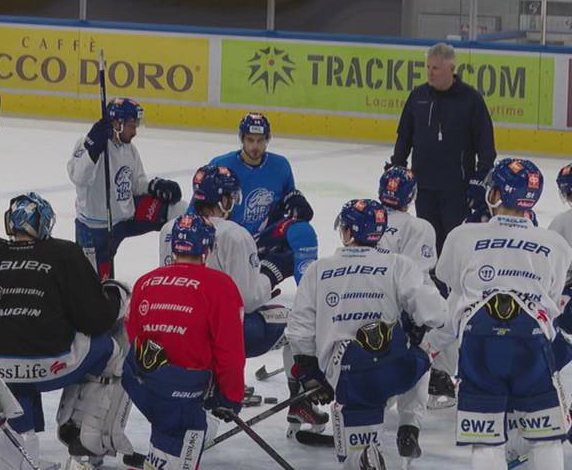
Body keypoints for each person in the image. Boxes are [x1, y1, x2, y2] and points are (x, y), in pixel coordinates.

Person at [0, 193, 133, 469]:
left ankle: (0, 434)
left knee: (9, 353)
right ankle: (87, 439)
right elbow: (95, 319)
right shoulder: (64, 252)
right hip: (52, 365)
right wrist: (117, 297)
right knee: (115, 350)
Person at [158, 165, 328, 436]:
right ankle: (300, 402)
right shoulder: (235, 234)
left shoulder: (170, 229)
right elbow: (247, 301)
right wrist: (271, 272)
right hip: (227, 336)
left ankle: (202, 387)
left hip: (177, 334)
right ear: (224, 199)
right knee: (299, 325)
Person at [286, 199, 446, 469]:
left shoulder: (318, 269)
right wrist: (415, 326)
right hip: (393, 371)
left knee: (356, 451)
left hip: (345, 378)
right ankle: (409, 425)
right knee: (422, 351)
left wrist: (310, 372)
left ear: (347, 232)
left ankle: (363, 451)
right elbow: (437, 314)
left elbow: (299, 328)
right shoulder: (400, 265)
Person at [436, 158, 572, 470]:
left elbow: (449, 280)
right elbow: (552, 299)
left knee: (487, 440)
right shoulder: (556, 244)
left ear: (496, 193)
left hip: (478, 344)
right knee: (546, 437)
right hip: (533, 343)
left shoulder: (462, 235)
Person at [124, 213, 245, 470]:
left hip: (145, 387)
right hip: (185, 393)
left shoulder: (146, 281)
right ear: (207, 247)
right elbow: (230, 351)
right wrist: (230, 396)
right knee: (183, 436)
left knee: (166, 435)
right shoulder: (219, 285)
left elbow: (133, 336)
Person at [388, 42, 497, 254]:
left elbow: (486, 146)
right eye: (428, 67)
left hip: (458, 189)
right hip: (424, 187)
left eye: (435, 68)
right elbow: (404, 137)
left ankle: (453, 286)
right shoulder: (418, 96)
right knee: (428, 243)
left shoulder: (471, 100)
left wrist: (480, 178)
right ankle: (433, 285)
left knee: (456, 244)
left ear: (451, 69)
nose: (430, 73)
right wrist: (398, 167)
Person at [67, 98, 184, 280]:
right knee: (95, 289)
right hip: (95, 229)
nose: (135, 131)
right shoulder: (88, 143)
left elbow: (136, 184)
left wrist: (154, 186)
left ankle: (176, 275)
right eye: (131, 125)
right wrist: (93, 151)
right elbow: (79, 177)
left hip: (127, 217)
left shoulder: (129, 149)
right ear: (116, 124)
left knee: (179, 211)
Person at [377, 166, 457, 410]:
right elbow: (416, 275)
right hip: (401, 305)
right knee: (449, 319)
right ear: (411, 196)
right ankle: (438, 375)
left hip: (367, 299)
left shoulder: (369, 217)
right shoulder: (419, 227)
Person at [208, 112, 319, 284]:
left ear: (267, 139)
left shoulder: (280, 165)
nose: (255, 146)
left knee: (303, 231)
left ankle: (309, 294)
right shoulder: (221, 165)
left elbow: (289, 199)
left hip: (262, 238)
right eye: (250, 140)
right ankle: (259, 279)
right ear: (242, 139)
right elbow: (199, 206)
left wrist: (296, 201)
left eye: (260, 140)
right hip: (229, 240)